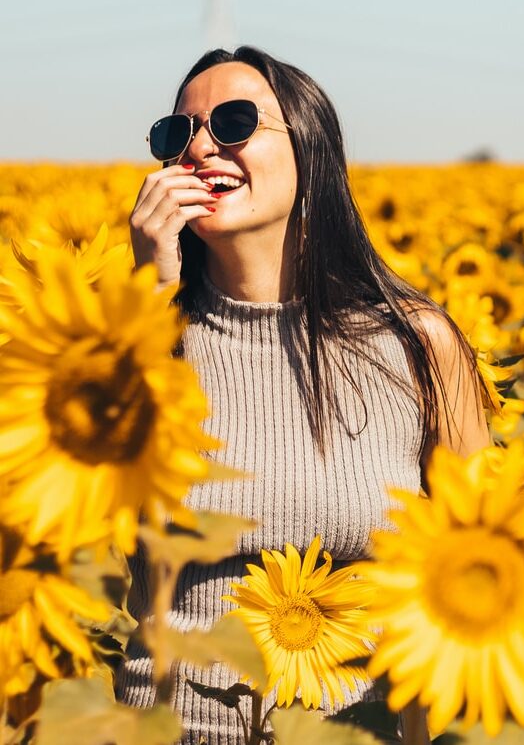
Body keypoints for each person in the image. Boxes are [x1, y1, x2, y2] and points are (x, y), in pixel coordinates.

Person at [121, 46, 489, 743]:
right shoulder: (136, 339)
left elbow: (480, 566)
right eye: (178, 134)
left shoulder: (416, 345)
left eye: (232, 122)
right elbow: (92, 539)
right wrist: (149, 301)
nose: (200, 147)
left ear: (311, 146)